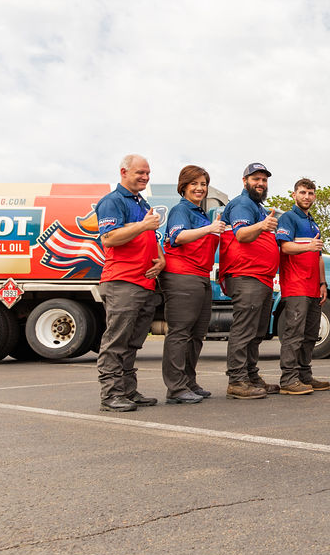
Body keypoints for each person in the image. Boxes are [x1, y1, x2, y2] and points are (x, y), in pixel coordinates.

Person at [95, 154, 165, 412]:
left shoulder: (140, 201)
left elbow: (149, 234)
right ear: (124, 172)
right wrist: (144, 224)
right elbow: (110, 238)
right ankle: (110, 394)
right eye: (140, 173)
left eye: (148, 173)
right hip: (123, 281)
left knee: (133, 341)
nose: (145, 177)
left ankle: (127, 390)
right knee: (117, 340)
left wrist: (160, 259)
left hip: (144, 283)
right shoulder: (112, 202)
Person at [160, 165, 225, 405]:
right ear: (184, 187)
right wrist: (209, 228)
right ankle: (176, 388)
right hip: (181, 276)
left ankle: (188, 381)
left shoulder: (200, 213)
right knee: (180, 332)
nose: (200, 188)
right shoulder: (181, 210)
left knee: (197, 333)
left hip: (200, 276)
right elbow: (177, 236)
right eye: (194, 184)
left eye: (203, 184)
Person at [219, 162, 281, 400]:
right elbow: (242, 234)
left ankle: (251, 375)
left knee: (256, 331)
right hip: (246, 275)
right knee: (245, 330)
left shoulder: (257, 206)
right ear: (244, 181)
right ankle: (237, 380)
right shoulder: (243, 204)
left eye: (264, 180)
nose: (261, 183)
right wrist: (263, 225)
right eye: (256, 179)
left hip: (261, 277)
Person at [274, 178, 330, 396]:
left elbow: (317, 256)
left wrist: (322, 282)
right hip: (296, 286)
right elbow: (285, 247)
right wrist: (308, 246)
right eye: (303, 192)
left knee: (310, 335)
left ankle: (304, 375)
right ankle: (288, 379)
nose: (307, 196)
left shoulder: (313, 222)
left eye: (310, 193)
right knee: (294, 334)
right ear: (294, 195)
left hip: (312, 286)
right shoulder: (288, 218)